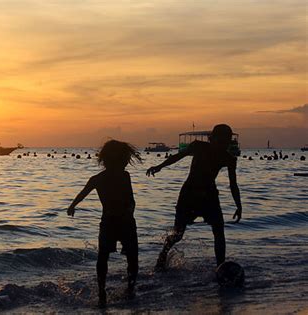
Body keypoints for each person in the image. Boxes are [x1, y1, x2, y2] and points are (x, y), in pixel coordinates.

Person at [147, 124, 242, 271]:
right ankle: (162, 257)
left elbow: (233, 184)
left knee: (219, 232)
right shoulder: (198, 147)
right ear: (212, 139)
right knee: (178, 234)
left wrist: (239, 205)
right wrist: (160, 166)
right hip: (189, 195)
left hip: (210, 197)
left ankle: (220, 267)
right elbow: (178, 156)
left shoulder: (228, 158)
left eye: (226, 142)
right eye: (220, 141)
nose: (223, 145)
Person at [67, 140, 142, 308]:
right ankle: (108, 290)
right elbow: (83, 193)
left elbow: (131, 199)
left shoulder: (119, 176)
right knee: (116, 257)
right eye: (124, 159)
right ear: (116, 159)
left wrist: (72, 205)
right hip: (116, 221)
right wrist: (72, 205)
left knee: (116, 257)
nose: (125, 162)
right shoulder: (103, 178)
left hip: (118, 221)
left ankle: (120, 290)